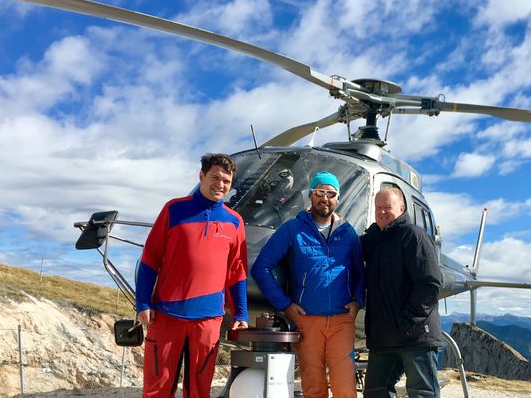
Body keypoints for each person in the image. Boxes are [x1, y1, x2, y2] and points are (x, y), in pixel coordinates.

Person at [135, 153, 249, 398]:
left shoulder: (234, 221)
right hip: (166, 315)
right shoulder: (174, 209)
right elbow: (149, 258)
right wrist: (143, 302)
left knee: (199, 390)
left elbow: (237, 270)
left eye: (226, 181)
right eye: (215, 177)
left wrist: (241, 312)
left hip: (208, 320)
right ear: (201, 176)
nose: (220, 184)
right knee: (157, 388)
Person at [252, 171, 365, 398]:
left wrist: (358, 301)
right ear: (311, 196)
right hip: (306, 321)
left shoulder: (348, 232)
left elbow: (361, 272)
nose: (325, 198)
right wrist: (285, 305)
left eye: (330, 193)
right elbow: (261, 267)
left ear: (337, 198)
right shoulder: (292, 229)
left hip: (341, 321)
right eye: (320, 192)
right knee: (313, 388)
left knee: (345, 388)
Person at [361, 185, 445, 398]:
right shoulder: (373, 241)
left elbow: (430, 284)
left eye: (387, 207)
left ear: (401, 208)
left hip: (415, 336)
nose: (381, 212)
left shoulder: (414, 236)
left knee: (422, 393)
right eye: (378, 207)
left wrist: (406, 321)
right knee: (374, 392)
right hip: (383, 338)